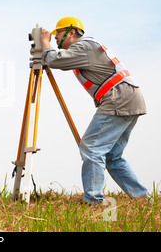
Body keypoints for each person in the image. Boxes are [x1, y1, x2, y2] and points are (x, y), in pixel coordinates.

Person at [39, 16, 149, 205]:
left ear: (71, 32)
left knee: (92, 148)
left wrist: (44, 43)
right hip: (129, 99)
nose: (55, 38)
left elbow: (54, 60)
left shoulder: (83, 46)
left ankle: (93, 201)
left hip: (119, 99)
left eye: (58, 33)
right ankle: (142, 198)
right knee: (112, 157)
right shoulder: (87, 47)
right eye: (53, 35)